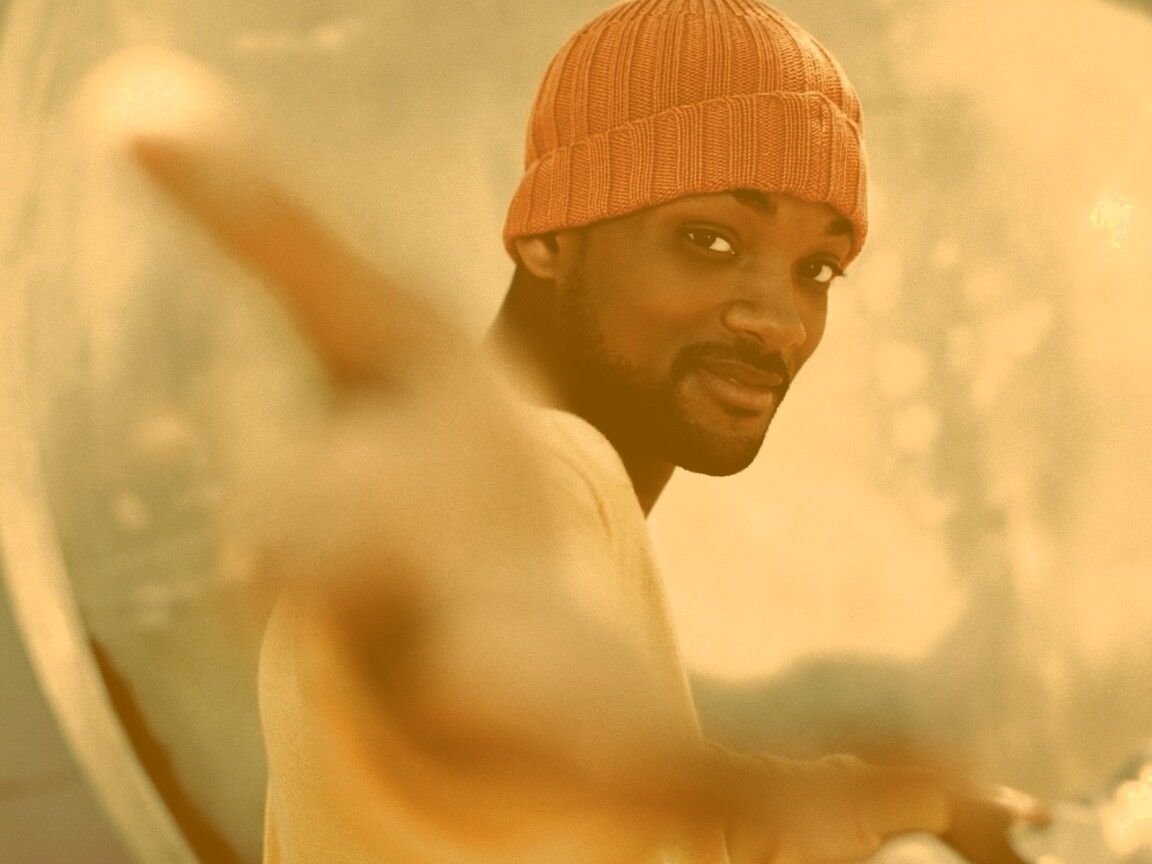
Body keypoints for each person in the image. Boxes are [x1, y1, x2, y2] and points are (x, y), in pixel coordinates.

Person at [119, 0, 1044, 861]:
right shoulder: (550, 480)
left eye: (819, 268)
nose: (781, 320)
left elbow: (667, 818)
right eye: (711, 239)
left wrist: (914, 802)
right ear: (549, 236)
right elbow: (532, 690)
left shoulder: (547, 510)